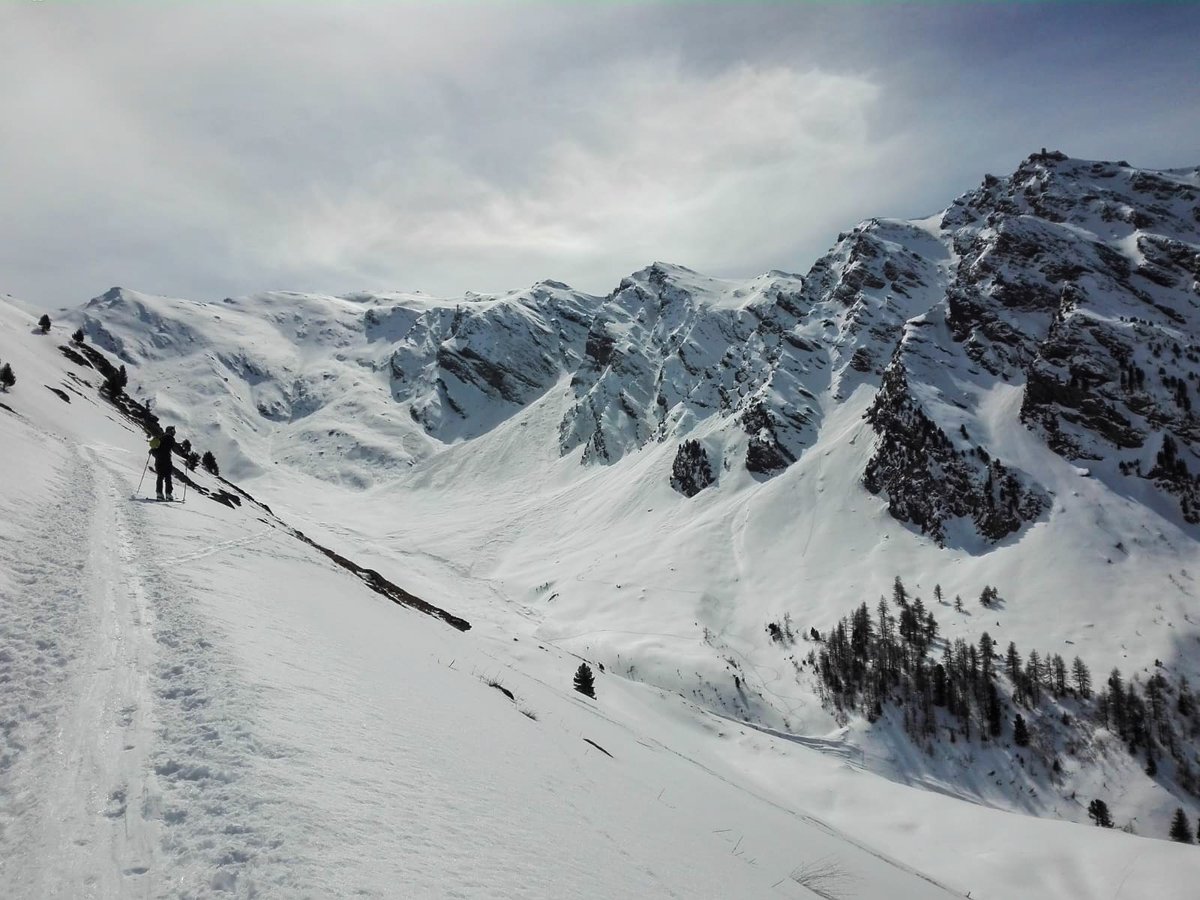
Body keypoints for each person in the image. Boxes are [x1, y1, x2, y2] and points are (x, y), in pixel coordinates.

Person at [150, 425, 177, 500]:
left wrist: (152, 451)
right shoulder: (170, 438)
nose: (174, 432)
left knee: (160, 476)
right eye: (173, 431)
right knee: (168, 477)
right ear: (171, 431)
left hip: (158, 460)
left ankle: (159, 494)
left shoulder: (160, 437)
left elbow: (156, 448)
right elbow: (169, 447)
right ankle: (168, 494)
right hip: (166, 460)